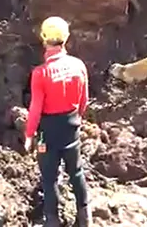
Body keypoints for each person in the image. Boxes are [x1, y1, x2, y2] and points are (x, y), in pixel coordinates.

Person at [24, 16, 91, 227]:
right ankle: (85, 217)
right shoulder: (78, 65)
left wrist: (29, 135)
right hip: (71, 129)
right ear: (66, 38)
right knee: (76, 171)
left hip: (48, 133)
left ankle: (52, 221)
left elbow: (36, 108)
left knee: (49, 177)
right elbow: (84, 101)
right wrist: (75, 120)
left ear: (44, 40)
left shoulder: (40, 74)